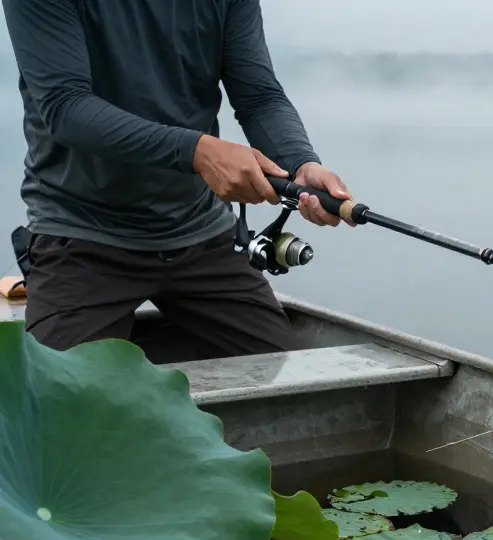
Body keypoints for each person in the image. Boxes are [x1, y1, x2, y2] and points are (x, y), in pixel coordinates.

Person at [1, 0, 354, 359]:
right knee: (56, 390)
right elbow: (66, 107)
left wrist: (300, 163)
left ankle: (135, 363)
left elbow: (259, 97)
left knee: (282, 377)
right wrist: (198, 152)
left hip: (201, 233)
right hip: (82, 235)